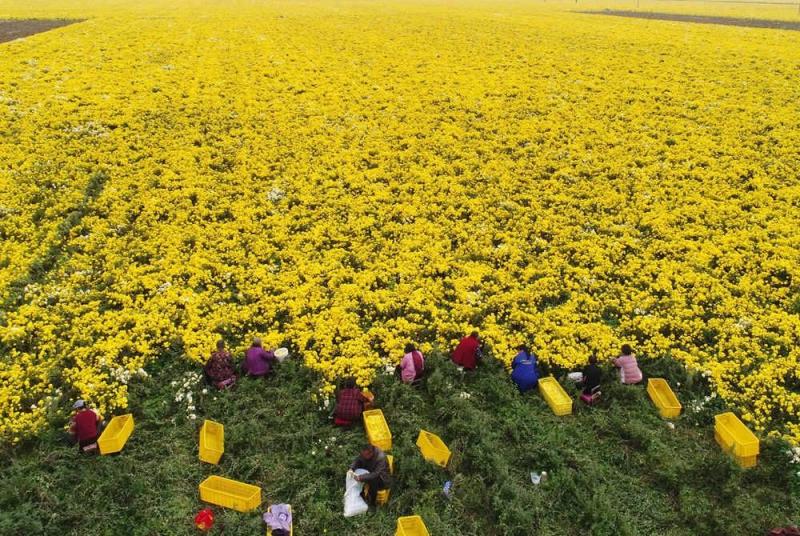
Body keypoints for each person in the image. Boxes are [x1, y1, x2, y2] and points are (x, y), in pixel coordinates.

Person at [349, 444, 391, 509]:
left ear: (371, 453)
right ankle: (361, 496)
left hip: (381, 478)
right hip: (370, 471)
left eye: (365, 455)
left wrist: (361, 477)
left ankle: (372, 502)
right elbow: (357, 460)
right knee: (357, 472)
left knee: (373, 480)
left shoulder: (381, 458)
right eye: (362, 454)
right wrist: (352, 468)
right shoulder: (365, 453)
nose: (363, 457)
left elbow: (376, 474)